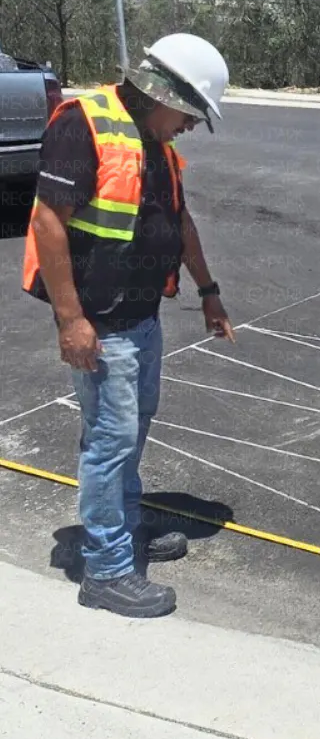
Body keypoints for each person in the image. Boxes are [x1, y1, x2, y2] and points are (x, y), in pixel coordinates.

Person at [23, 33, 236, 618]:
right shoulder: (83, 125)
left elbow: (179, 219)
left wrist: (209, 291)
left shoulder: (155, 144)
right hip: (101, 325)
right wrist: (71, 320)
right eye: (189, 113)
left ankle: (124, 531)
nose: (190, 126)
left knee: (131, 435)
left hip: (142, 319)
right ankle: (107, 570)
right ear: (159, 91)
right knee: (109, 444)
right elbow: (47, 222)